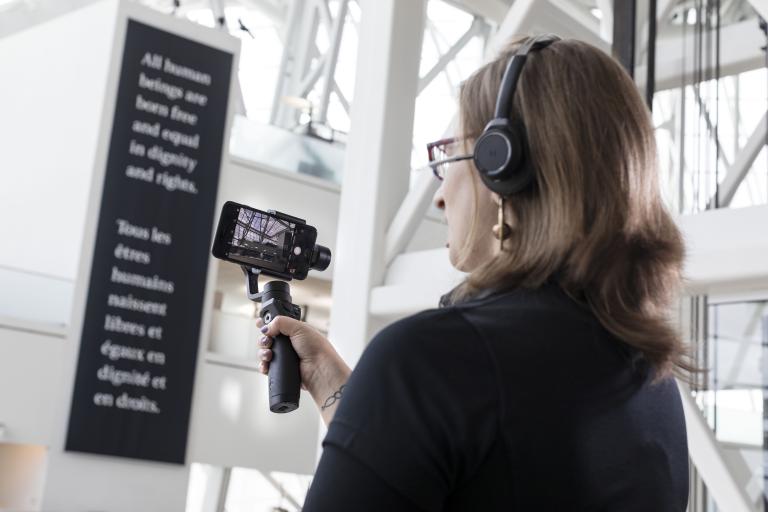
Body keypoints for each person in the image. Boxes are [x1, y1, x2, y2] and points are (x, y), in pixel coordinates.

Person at [256, 34, 691, 511]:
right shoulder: (654, 382)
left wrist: (389, 389)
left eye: (451, 155)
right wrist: (337, 385)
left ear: (504, 167)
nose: (440, 195)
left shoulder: (428, 360)